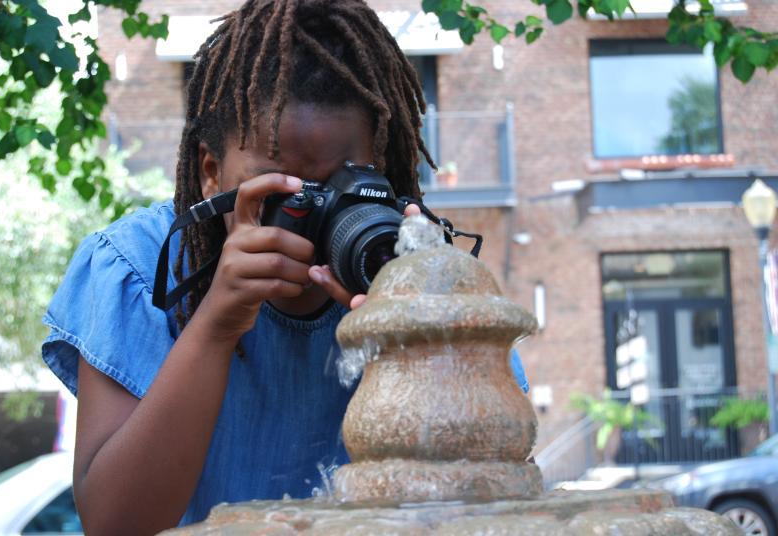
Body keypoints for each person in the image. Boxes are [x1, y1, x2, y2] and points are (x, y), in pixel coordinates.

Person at [41, 1, 526, 534]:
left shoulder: (420, 273)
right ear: (210, 173)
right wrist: (218, 322)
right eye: (286, 194)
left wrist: (415, 339)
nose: (315, 224)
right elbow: (116, 524)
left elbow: (490, 495)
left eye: (344, 187)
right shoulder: (137, 268)